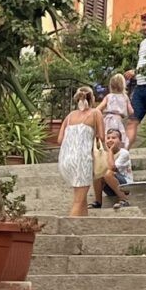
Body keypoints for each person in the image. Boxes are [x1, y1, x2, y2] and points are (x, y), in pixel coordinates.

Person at [57, 88, 107, 218]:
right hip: (82, 160)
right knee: (78, 201)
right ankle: (67, 233)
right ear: (92, 98)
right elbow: (102, 137)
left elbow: (59, 140)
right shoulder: (96, 113)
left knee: (82, 198)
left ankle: (82, 227)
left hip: (65, 159)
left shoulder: (69, 116)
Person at [95, 134, 133, 209]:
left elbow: (112, 167)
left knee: (108, 173)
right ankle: (98, 202)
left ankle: (124, 199)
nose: (110, 140)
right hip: (111, 188)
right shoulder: (104, 153)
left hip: (126, 186)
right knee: (98, 175)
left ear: (120, 140)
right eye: (108, 138)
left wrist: (110, 151)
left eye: (114, 138)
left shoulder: (124, 153)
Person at [99, 73, 136, 147]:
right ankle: (119, 150)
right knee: (119, 136)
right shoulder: (125, 97)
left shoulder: (108, 96)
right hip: (118, 120)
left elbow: (99, 108)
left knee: (108, 136)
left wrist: (104, 113)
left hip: (108, 119)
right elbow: (131, 111)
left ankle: (108, 151)